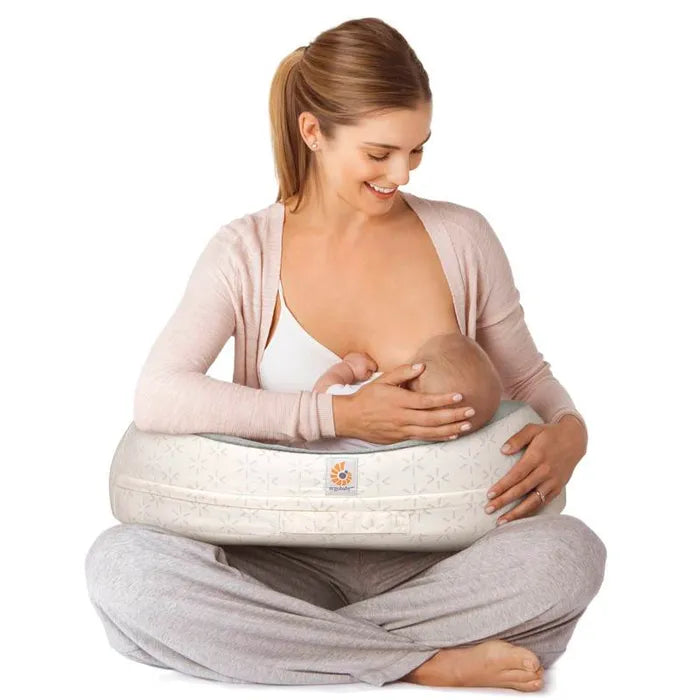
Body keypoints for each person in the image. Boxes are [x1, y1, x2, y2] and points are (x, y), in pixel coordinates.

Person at [84, 17, 606, 691]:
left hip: (438, 556)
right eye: (380, 152)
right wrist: (338, 416)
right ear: (313, 132)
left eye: (416, 151)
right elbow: (159, 395)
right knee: (125, 567)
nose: (401, 173)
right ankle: (424, 660)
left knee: (568, 555)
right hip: (279, 553)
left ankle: (272, 644)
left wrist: (571, 431)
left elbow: (529, 377)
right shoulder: (244, 252)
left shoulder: (463, 238)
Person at [287, 331, 504, 452]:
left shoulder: (370, 397)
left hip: (313, 467)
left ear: (405, 381)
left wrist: (349, 369)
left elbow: (322, 394)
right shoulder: (434, 453)